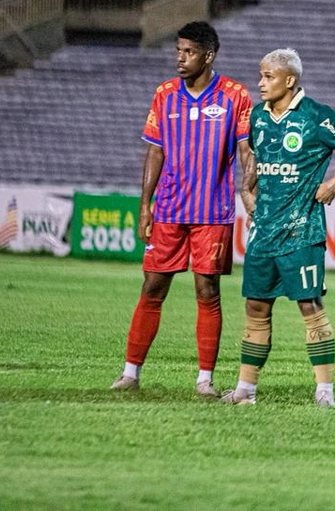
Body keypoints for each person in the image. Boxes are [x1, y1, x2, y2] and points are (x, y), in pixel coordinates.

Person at [221, 48, 335, 407]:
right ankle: (246, 389)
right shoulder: (258, 117)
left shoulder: (315, 116)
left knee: (310, 306)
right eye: (260, 76)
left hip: (301, 232)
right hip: (263, 232)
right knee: (256, 307)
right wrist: (247, 187)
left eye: (268, 77)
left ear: (289, 80)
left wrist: (333, 183)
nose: (260, 83)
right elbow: (255, 157)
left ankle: (324, 392)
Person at [111, 20, 252, 396]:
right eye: (178, 50)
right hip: (170, 210)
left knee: (207, 291)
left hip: (213, 212)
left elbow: (245, 150)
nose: (180, 58)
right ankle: (130, 373)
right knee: (152, 286)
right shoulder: (165, 94)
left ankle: (204, 380)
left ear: (208, 55)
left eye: (188, 52)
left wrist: (249, 190)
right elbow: (154, 150)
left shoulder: (236, 95)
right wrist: (146, 205)